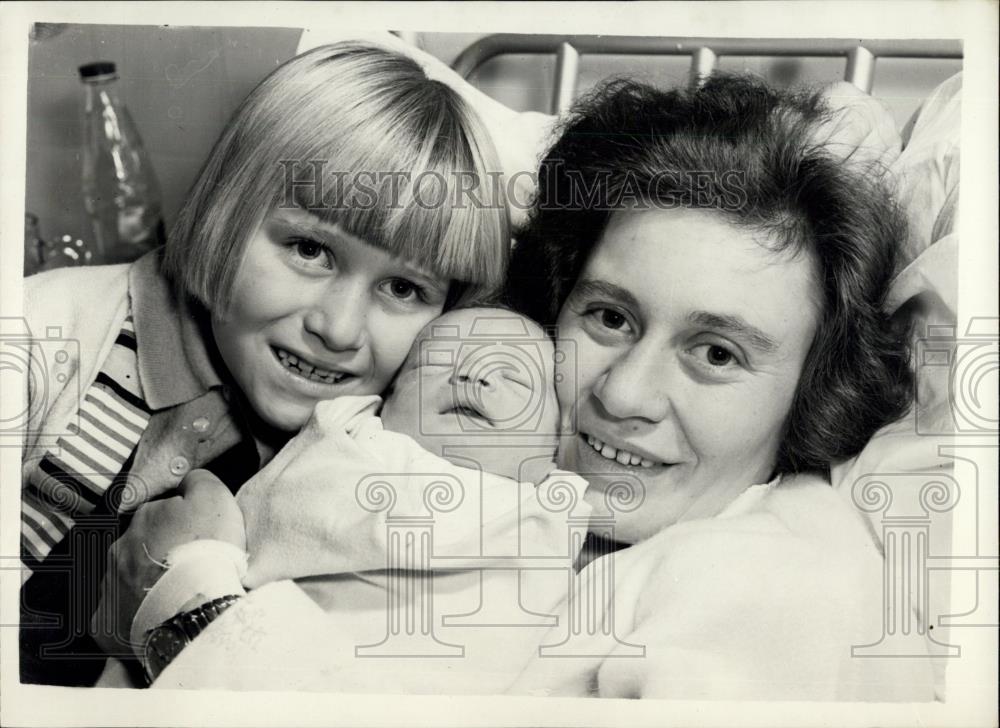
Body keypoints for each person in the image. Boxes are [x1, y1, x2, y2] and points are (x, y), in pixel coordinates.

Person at [93, 74, 938, 700]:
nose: (624, 395)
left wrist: (192, 612)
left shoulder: (776, 583)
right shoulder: (500, 484)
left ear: (815, 391)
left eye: (716, 353)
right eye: (609, 318)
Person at [20, 41, 510, 686]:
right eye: (309, 249)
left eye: (402, 289)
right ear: (225, 211)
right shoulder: (46, 334)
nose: (337, 329)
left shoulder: (385, 446)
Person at [107, 306, 588, 691]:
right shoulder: (347, 445)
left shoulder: (540, 515)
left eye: (517, 381)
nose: (473, 378)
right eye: (437, 365)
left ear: (554, 445)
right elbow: (275, 520)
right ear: (386, 402)